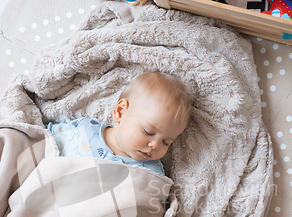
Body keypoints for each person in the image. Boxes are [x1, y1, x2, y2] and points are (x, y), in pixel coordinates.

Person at [46, 72, 191, 176]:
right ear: (120, 112)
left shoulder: (150, 173)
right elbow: (46, 140)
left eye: (166, 142)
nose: (155, 145)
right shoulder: (84, 128)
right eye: (148, 132)